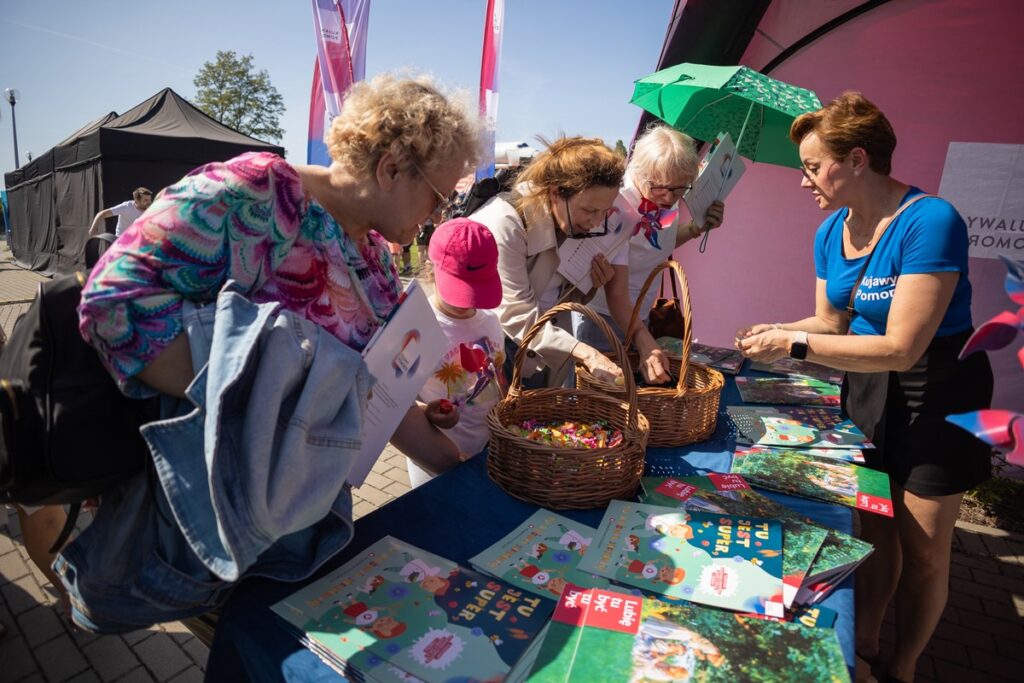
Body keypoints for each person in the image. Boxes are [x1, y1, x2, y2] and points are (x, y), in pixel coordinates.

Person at [78, 73, 481, 479]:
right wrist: (272, 396)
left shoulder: (374, 258)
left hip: (301, 510)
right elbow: (111, 304)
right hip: (215, 504)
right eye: (440, 197)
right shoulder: (262, 194)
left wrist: (458, 466)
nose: (440, 215)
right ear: (391, 169)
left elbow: (368, 394)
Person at [734, 91, 993, 683]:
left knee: (925, 548)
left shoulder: (931, 220)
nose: (804, 182)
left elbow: (904, 346)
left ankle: (903, 667)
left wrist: (793, 346)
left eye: (810, 165)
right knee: (875, 525)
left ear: (854, 159)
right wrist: (777, 328)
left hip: (938, 392)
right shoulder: (831, 231)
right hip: (869, 387)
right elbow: (828, 323)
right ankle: (868, 640)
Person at [469, 136, 626, 388]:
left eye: (604, 212)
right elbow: (516, 314)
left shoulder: (569, 222)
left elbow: (553, 301)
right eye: (589, 211)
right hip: (491, 356)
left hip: (537, 354)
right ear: (556, 193)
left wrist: (592, 285)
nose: (597, 222)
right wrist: (585, 352)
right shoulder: (505, 223)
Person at [574, 125, 725, 383]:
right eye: (662, 188)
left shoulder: (664, 195)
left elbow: (657, 244)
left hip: (637, 317)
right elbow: (616, 294)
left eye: (680, 190)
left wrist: (694, 228)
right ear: (641, 174)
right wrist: (646, 342)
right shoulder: (618, 205)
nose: (669, 197)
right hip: (601, 319)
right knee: (598, 404)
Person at [407, 217, 504, 488]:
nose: (468, 301)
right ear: (430, 269)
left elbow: (497, 376)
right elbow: (397, 403)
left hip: (487, 449)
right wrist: (428, 411)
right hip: (434, 459)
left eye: (478, 288)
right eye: (461, 289)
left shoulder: (490, 322)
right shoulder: (418, 327)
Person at [88, 187, 153, 237]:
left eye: (150, 200)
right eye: (146, 200)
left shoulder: (151, 209)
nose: (149, 202)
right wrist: (93, 229)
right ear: (136, 201)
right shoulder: (126, 207)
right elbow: (102, 214)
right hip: (121, 241)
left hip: (138, 241)